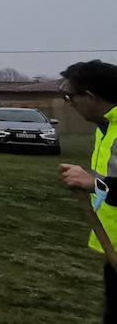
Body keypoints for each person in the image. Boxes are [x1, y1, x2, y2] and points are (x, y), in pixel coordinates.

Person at [56, 60, 117, 321]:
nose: (68, 103)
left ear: (90, 96)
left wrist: (94, 184)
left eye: (70, 96)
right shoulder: (106, 127)